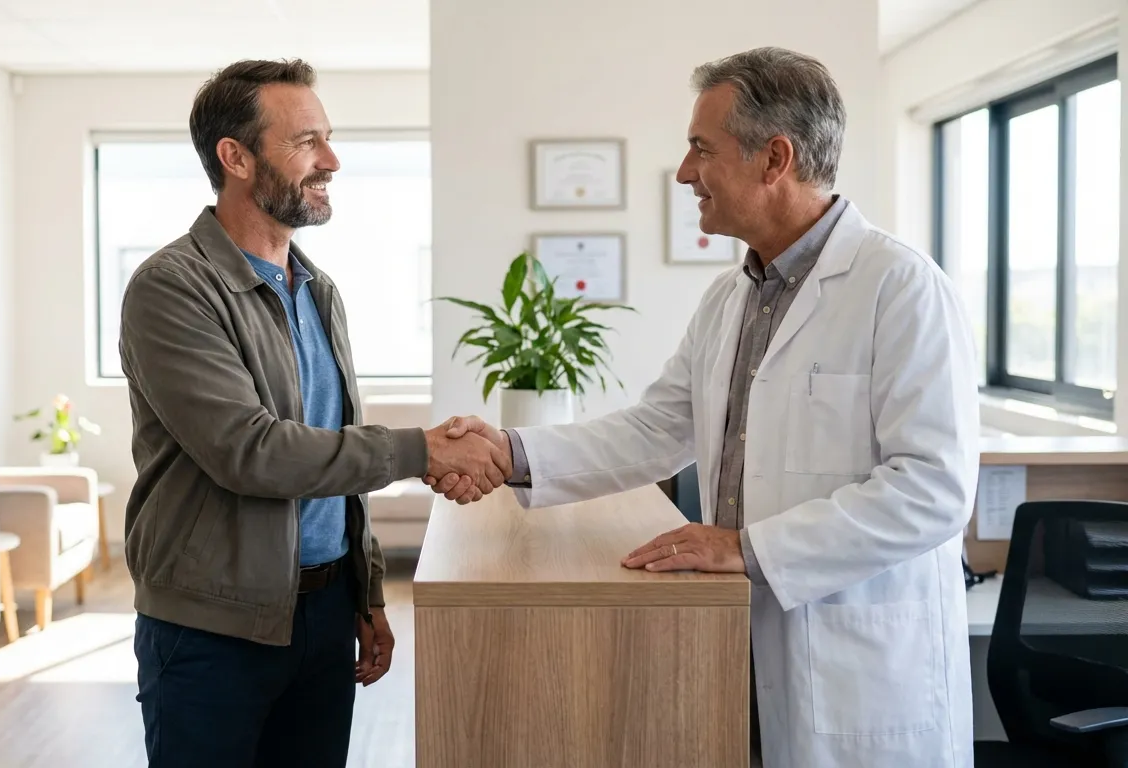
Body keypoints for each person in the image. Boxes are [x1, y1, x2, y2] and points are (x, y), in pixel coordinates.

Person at [431, 47, 980, 768]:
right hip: (733, 643)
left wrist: (745, 548)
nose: (686, 172)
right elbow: (659, 428)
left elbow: (933, 490)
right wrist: (511, 453)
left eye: (701, 148)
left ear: (773, 158)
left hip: (855, 667)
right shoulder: (732, 296)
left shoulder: (899, 287)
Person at [119, 58, 510, 768]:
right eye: (305, 142)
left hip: (326, 615)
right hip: (212, 632)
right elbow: (254, 452)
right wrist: (425, 450)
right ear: (234, 157)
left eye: (327, 138)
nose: (331, 160)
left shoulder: (317, 290)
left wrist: (366, 592)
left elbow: (328, 447)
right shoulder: (171, 289)